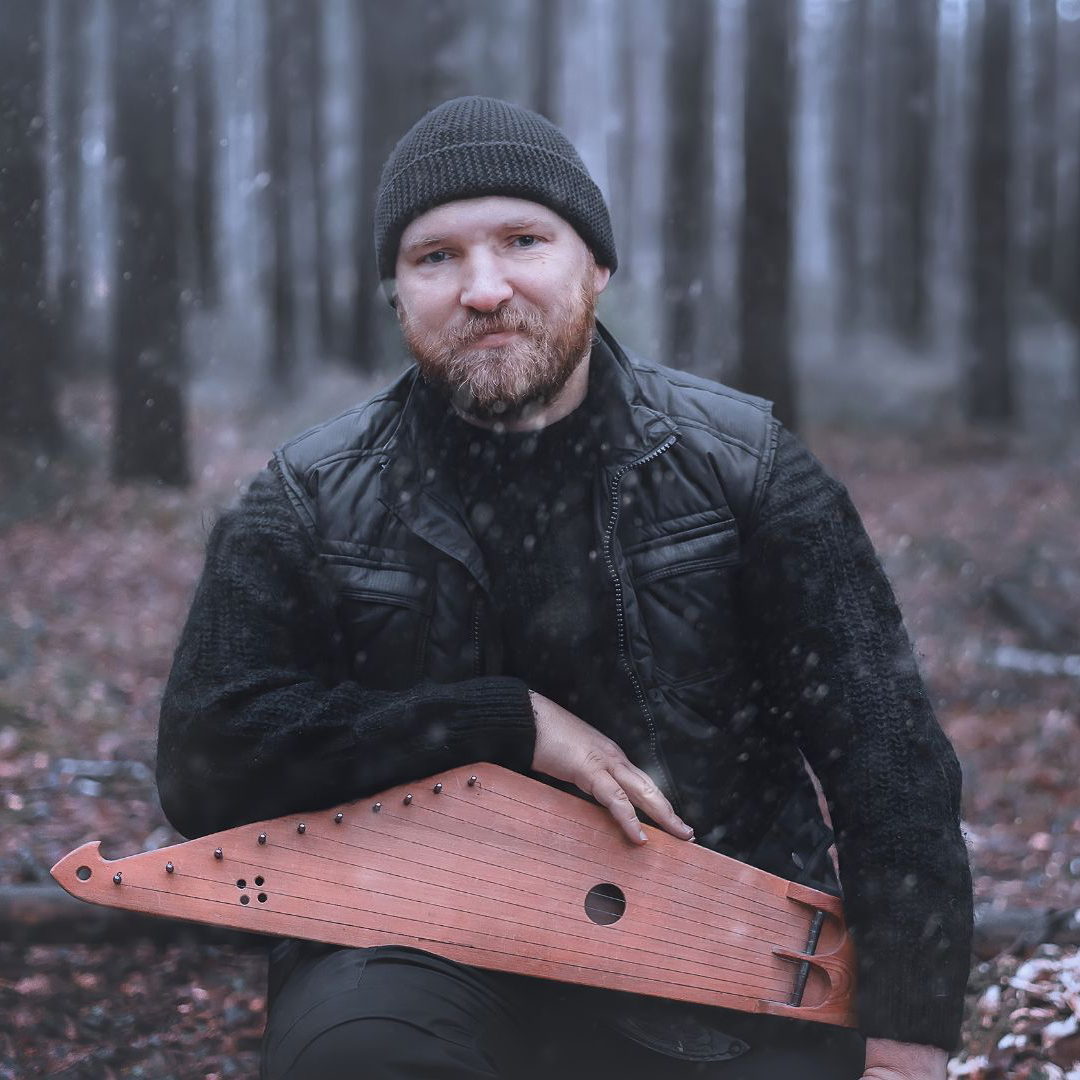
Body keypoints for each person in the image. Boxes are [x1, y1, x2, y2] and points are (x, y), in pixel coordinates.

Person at [156, 96, 972, 1079]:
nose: (485, 288)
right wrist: (498, 725)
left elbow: (891, 766)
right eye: (436, 257)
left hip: (719, 949)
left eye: (523, 240)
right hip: (407, 948)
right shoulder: (305, 498)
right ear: (395, 295)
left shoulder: (747, 468)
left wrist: (908, 1035)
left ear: (597, 266)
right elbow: (204, 764)